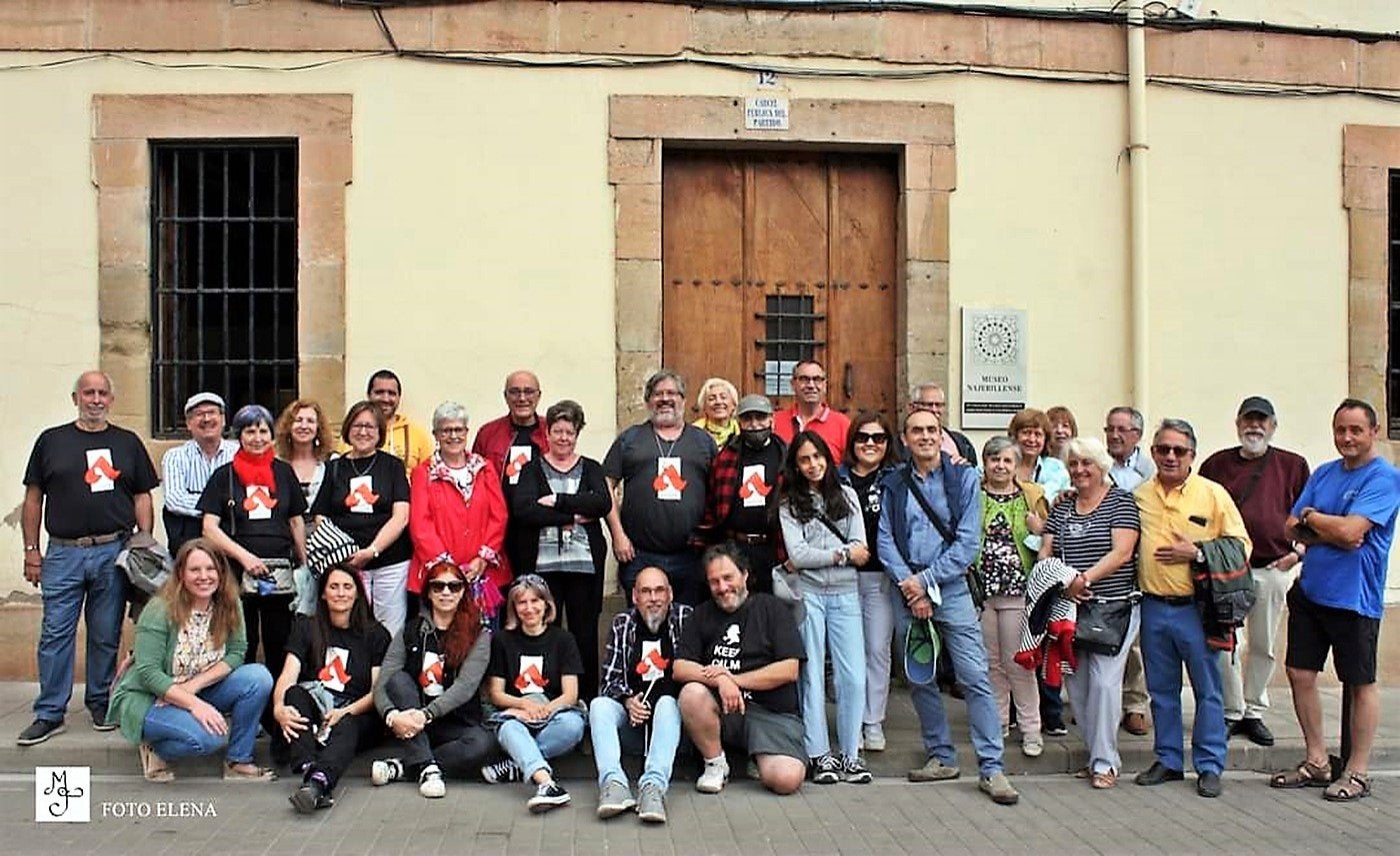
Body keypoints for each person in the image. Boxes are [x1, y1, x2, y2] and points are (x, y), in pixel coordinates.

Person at [877, 408, 1019, 805]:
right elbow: (886, 539)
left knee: (975, 677)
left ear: (942, 436)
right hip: (906, 591)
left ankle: (992, 769)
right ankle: (941, 755)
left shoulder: (964, 478)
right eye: (916, 431)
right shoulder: (895, 482)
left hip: (950, 589)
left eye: (932, 430)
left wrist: (924, 583)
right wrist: (911, 587)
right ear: (904, 439)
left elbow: (967, 544)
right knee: (920, 677)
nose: (924, 437)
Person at [18, 370, 161, 745]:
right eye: (88, 393)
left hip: (113, 551)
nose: (95, 399)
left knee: (105, 633)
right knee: (55, 633)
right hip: (62, 553)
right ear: (75, 398)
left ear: (111, 400)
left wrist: (143, 542)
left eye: (102, 393)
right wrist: (31, 551)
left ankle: (100, 702)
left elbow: (142, 495)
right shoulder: (51, 441)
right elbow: (34, 498)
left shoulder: (127, 442)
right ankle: (50, 712)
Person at [1273, 399, 1400, 801]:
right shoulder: (1325, 473)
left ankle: (1358, 771)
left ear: (1373, 432)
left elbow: (1352, 534)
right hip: (1311, 592)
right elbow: (1291, 527)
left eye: (1355, 430)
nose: (1346, 437)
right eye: (1340, 429)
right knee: (1300, 673)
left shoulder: (1385, 478)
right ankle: (1316, 761)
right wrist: (1322, 524)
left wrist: (1314, 520)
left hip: (1354, 598)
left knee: (1360, 683)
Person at [1133, 419, 1249, 799]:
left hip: (1197, 611)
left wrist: (1197, 552)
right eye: (1163, 449)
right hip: (1153, 606)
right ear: (1153, 453)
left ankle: (1210, 765)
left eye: (1178, 451)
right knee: (1161, 691)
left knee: (1208, 691)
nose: (1170, 456)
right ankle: (1167, 759)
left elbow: (1241, 545)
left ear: (1192, 456)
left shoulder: (1212, 495)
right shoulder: (1139, 496)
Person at [107, 539, 276, 782]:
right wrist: (195, 705)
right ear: (181, 574)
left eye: (210, 569)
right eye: (195, 570)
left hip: (195, 687)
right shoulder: (159, 610)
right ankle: (156, 749)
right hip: (150, 698)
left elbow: (237, 652)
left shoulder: (230, 603)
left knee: (258, 677)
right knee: (210, 739)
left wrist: (194, 688)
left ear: (220, 571)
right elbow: (148, 673)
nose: (204, 576)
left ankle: (238, 760)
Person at [1198, 396, 1310, 748]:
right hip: (1228, 571)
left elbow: (1309, 514)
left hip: (1273, 567)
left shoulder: (1293, 465)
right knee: (1228, 644)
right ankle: (1231, 711)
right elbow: (1199, 513)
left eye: (1262, 421)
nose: (1255, 427)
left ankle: (1254, 710)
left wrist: (1298, 555)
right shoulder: (1216, 465)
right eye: (1249, 420)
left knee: (1263, 644)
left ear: (1273, 426)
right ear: (1237, 423)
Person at [1038, 438, 1140, 789]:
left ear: (1102, 467)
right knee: (1077, 686)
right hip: (1069, 609)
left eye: (1087, 464)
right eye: (1074, 464)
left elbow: (1122, 552)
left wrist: (1084, 579)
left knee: (1104, 685)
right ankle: (1095, 753)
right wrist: (1060, 582)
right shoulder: (1062, 507)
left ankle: (1105, 763)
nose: (1080, 470)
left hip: (1113, 609)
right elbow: (1045, 551)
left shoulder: (1120, 502)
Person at [778, 431, 873, 785]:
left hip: (847, 595)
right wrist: (841, 554)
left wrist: (848, 553)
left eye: (817, 457)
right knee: (812, 673)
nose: (813, 465)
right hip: (810, 595)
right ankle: (819, 754)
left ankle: (850, 753)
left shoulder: (846, 495)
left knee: (852, 675)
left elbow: (862, 546)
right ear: (796, 466)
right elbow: (798, 556)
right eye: (805, 459)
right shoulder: (789, 504)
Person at [674, 544, 807, 796]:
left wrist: (732, 678)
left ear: (745, 574)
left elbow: (790, 669)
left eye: (728, 578)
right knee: (691, 693)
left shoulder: (772, 608)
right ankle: (716, 764)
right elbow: (680, 667)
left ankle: (758, 757)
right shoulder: (701, 615)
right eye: (714, 581)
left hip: (771, 714)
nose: (722, 588)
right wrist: (720, 682)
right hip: (722, 712)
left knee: (786, 780)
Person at [509, 400, 612, 700]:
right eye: (558, 431)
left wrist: (557, 501)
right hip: (544, 569)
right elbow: (524, 510)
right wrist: (573, 515)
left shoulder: (591, 467)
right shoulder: (531, 469)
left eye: (569, 432)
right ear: (548, 433)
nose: (563, 438)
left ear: (577, 433)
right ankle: (550, 700)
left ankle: (588, 701)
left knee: (584, 636)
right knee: (545, 635)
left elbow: (601, 503)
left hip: (584, 568)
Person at [371, 561, 496, 799]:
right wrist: (391, 715)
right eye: (438, 587)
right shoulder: (411, 630)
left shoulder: (478, 634)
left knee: (483, 743)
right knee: (398, 680)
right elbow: (384, 680)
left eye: (454, 586)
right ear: (428, 592)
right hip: (413, 717)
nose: (446, 592)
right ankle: (428, 769)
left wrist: (425, 715)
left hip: (453, 723)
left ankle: (405, 766)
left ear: (463, 591)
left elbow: (465, 687)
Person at [199, 404, 308, 675]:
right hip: (236, 572)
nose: (257, 437)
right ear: (239, 435)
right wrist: (244, 557)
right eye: (250, 431)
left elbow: (295, 521)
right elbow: (209, 527)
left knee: (279, 640)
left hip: (278, 574)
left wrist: (304, 564)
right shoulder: (224, 475)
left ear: (271, 435)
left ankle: (275, 710)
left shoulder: (284, 472)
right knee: (241, 642)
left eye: (263, 431)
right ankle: (244, 701)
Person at [272, 564, 390, 814]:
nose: (340, 593)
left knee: (347, 721)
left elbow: (377, 692)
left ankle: (315, 782)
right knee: (293, 695)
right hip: (316, 709)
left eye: (347, 587)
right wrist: (279, 709)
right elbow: (288, 676)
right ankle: (311, 773)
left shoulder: (376, 634)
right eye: (333, 587)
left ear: (357, 593)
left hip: (358, 714)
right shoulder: (306, 627)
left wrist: (344, 712)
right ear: (323, 593)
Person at [589, 566, 692, 824]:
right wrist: (627, 700)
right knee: (599, 705)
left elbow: (694, 674)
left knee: (668, 703)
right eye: (646, 591)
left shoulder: (685, 618)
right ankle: (614, 784)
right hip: (632, 718)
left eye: (659, 590)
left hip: (670, 721)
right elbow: (609, 680)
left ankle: (653, 787)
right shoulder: (623, 623)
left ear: (670, 594)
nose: (653, 598)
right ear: (635, 597)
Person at [605, 369, 716, 605]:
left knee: (688, 626)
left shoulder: (703, 441)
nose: (665, 398)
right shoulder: (630, 439)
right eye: (658, 394)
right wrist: (618, 535)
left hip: (692, 555)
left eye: (672, 393)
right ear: (648, 401)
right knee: (644, 625)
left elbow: (718, 492)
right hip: (639, 554)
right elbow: (606, 485)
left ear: (683, 400)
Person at [482, 575, 587, 813]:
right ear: (514, 608)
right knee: (508, 728)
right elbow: (496, 694)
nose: (529, 608)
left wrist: (543, 710)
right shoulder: (501, 640)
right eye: (522, 603)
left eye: (535, 601)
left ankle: (518, 763)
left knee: (573, 726)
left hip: (554, 715)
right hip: (517, 716)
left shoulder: (563, 639)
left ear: (547, 604)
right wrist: (523, 706)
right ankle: (547, 785)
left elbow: (570, 695)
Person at [311, 401, 412, 639]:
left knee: (389, 629)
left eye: (370, 426)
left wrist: (373, 550)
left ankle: (385, 675)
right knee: (351, 624)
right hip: (347, 566)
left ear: (380, 432)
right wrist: (341, 551)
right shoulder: (334, 468)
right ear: (347, 429)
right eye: (357, 425)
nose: (363, 432)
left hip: (390, 562)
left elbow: (401, 516)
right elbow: (320, 516)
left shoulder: (393, 466)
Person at [974, 436, 1048, 758]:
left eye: (1006, 461)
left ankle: (1031, 728)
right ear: (985, 464)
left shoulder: (1030, 497)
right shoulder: (974, 496)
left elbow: (1049, 537)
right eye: (994, 460)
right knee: (991, 664)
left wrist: (1037, 529)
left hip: (1018, 591)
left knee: (1019, 662)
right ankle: (999, 722)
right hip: (983, 592)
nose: (1000, 466)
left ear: (1016, 466)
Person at [409, 401, 509, 621]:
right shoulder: (423, 473)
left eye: (458, 429)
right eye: (446, 430)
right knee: (440, 643)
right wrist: (447, 569)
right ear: (436, 434)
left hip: (482, 573)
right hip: (438, 576)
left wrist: (482, 558)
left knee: (482, 642)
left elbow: (499, 515)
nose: (453, 435)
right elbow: (420, 524)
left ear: (466, 432)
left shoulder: (485, 468)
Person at [838, 410, 901, 752]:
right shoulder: (837, 477)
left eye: (878, 438)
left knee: (877, 649)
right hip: (842, 576)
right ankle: (851, 721)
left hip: (881, 577)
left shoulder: (897, 477)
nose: (870, 444)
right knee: (849, 653)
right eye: (863, 438)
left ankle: (872, 720)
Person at [695, 393, 786, 595]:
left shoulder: (785, 455)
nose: (754, 424)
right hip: (734, 547)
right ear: (739, 422)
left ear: (771, 419)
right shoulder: (725, 457)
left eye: (760, 417)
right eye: (747, 418)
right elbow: (711, 501)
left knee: (768, 610)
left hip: (772, 548)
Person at [1104, 405, 1154, 737]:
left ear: (1137, 435)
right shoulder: (1097, 463)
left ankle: (1135, 704)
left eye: (1122, 429)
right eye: (1110, 429)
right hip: (1101, 558)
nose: (1115, 435)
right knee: (1100, 632)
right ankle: (1100, 703)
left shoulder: (1150, 469)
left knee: (1135, 639)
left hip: (1137, 559)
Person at [161, 392, 237, 553]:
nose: (206, 419)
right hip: (189, 538)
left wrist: (203, 503)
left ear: (223, 420)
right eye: (199, 414)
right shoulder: (175, 456)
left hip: (233, 536)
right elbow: (174, 501)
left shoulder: (238, 454)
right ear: (188, 423)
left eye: (212, 413)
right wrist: (221, 507)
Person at [472, 370, 549, 485]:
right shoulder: (487, 434)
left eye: (528, 392)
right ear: (505, 396)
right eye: (514, 392)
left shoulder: (553, 431)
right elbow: (475, 479)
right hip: (499, 502)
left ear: (538, 396)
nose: (522, 398)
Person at [772, 360, 850, 465]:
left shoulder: (842, 424)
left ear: (825, 385)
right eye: (804, 379)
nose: (811, 385)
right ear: (793, 384)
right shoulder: (775, 421)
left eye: (817, 379)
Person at [365, 369, 434, 477]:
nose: (386, 399)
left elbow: (430, 476)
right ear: (369, 395)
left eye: (391, 393)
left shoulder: (418, 435)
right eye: (379, 392)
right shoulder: (356, 434)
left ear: (398, 398)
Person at [275, 399, 333, 512]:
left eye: (310, 421)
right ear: (288, 426)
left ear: (318, 428)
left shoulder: (332, 462)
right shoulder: (277, 463)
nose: (304, 426)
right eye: (298, 420)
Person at [1008, 408, 1071, 504]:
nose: (1032, 439)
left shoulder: (1057, 469)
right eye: (1026, 433)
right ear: (1015, 436)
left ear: (1046, 439)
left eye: (1038, 434)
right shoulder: (1003, 465)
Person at [907, 382, 976, 462]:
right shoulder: (897, 446)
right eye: (929, 405)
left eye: (938, 405)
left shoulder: (961, 442)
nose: (934, 409)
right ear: (912, 407)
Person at [692, 377, 740, 449]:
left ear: (733, 404)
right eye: (712, 399)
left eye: (723, 397)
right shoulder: (693, 433)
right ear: (704, 406)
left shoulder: (742, 432)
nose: (718, 402)